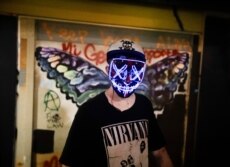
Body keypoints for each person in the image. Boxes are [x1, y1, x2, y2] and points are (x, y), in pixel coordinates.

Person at [59, 39, 174, 167]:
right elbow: (70, 163)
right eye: (120, 66)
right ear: (108, 70)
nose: (128, 77)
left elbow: (160, 152)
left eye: (135, 68)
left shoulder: (144, 105)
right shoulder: (89, 111)